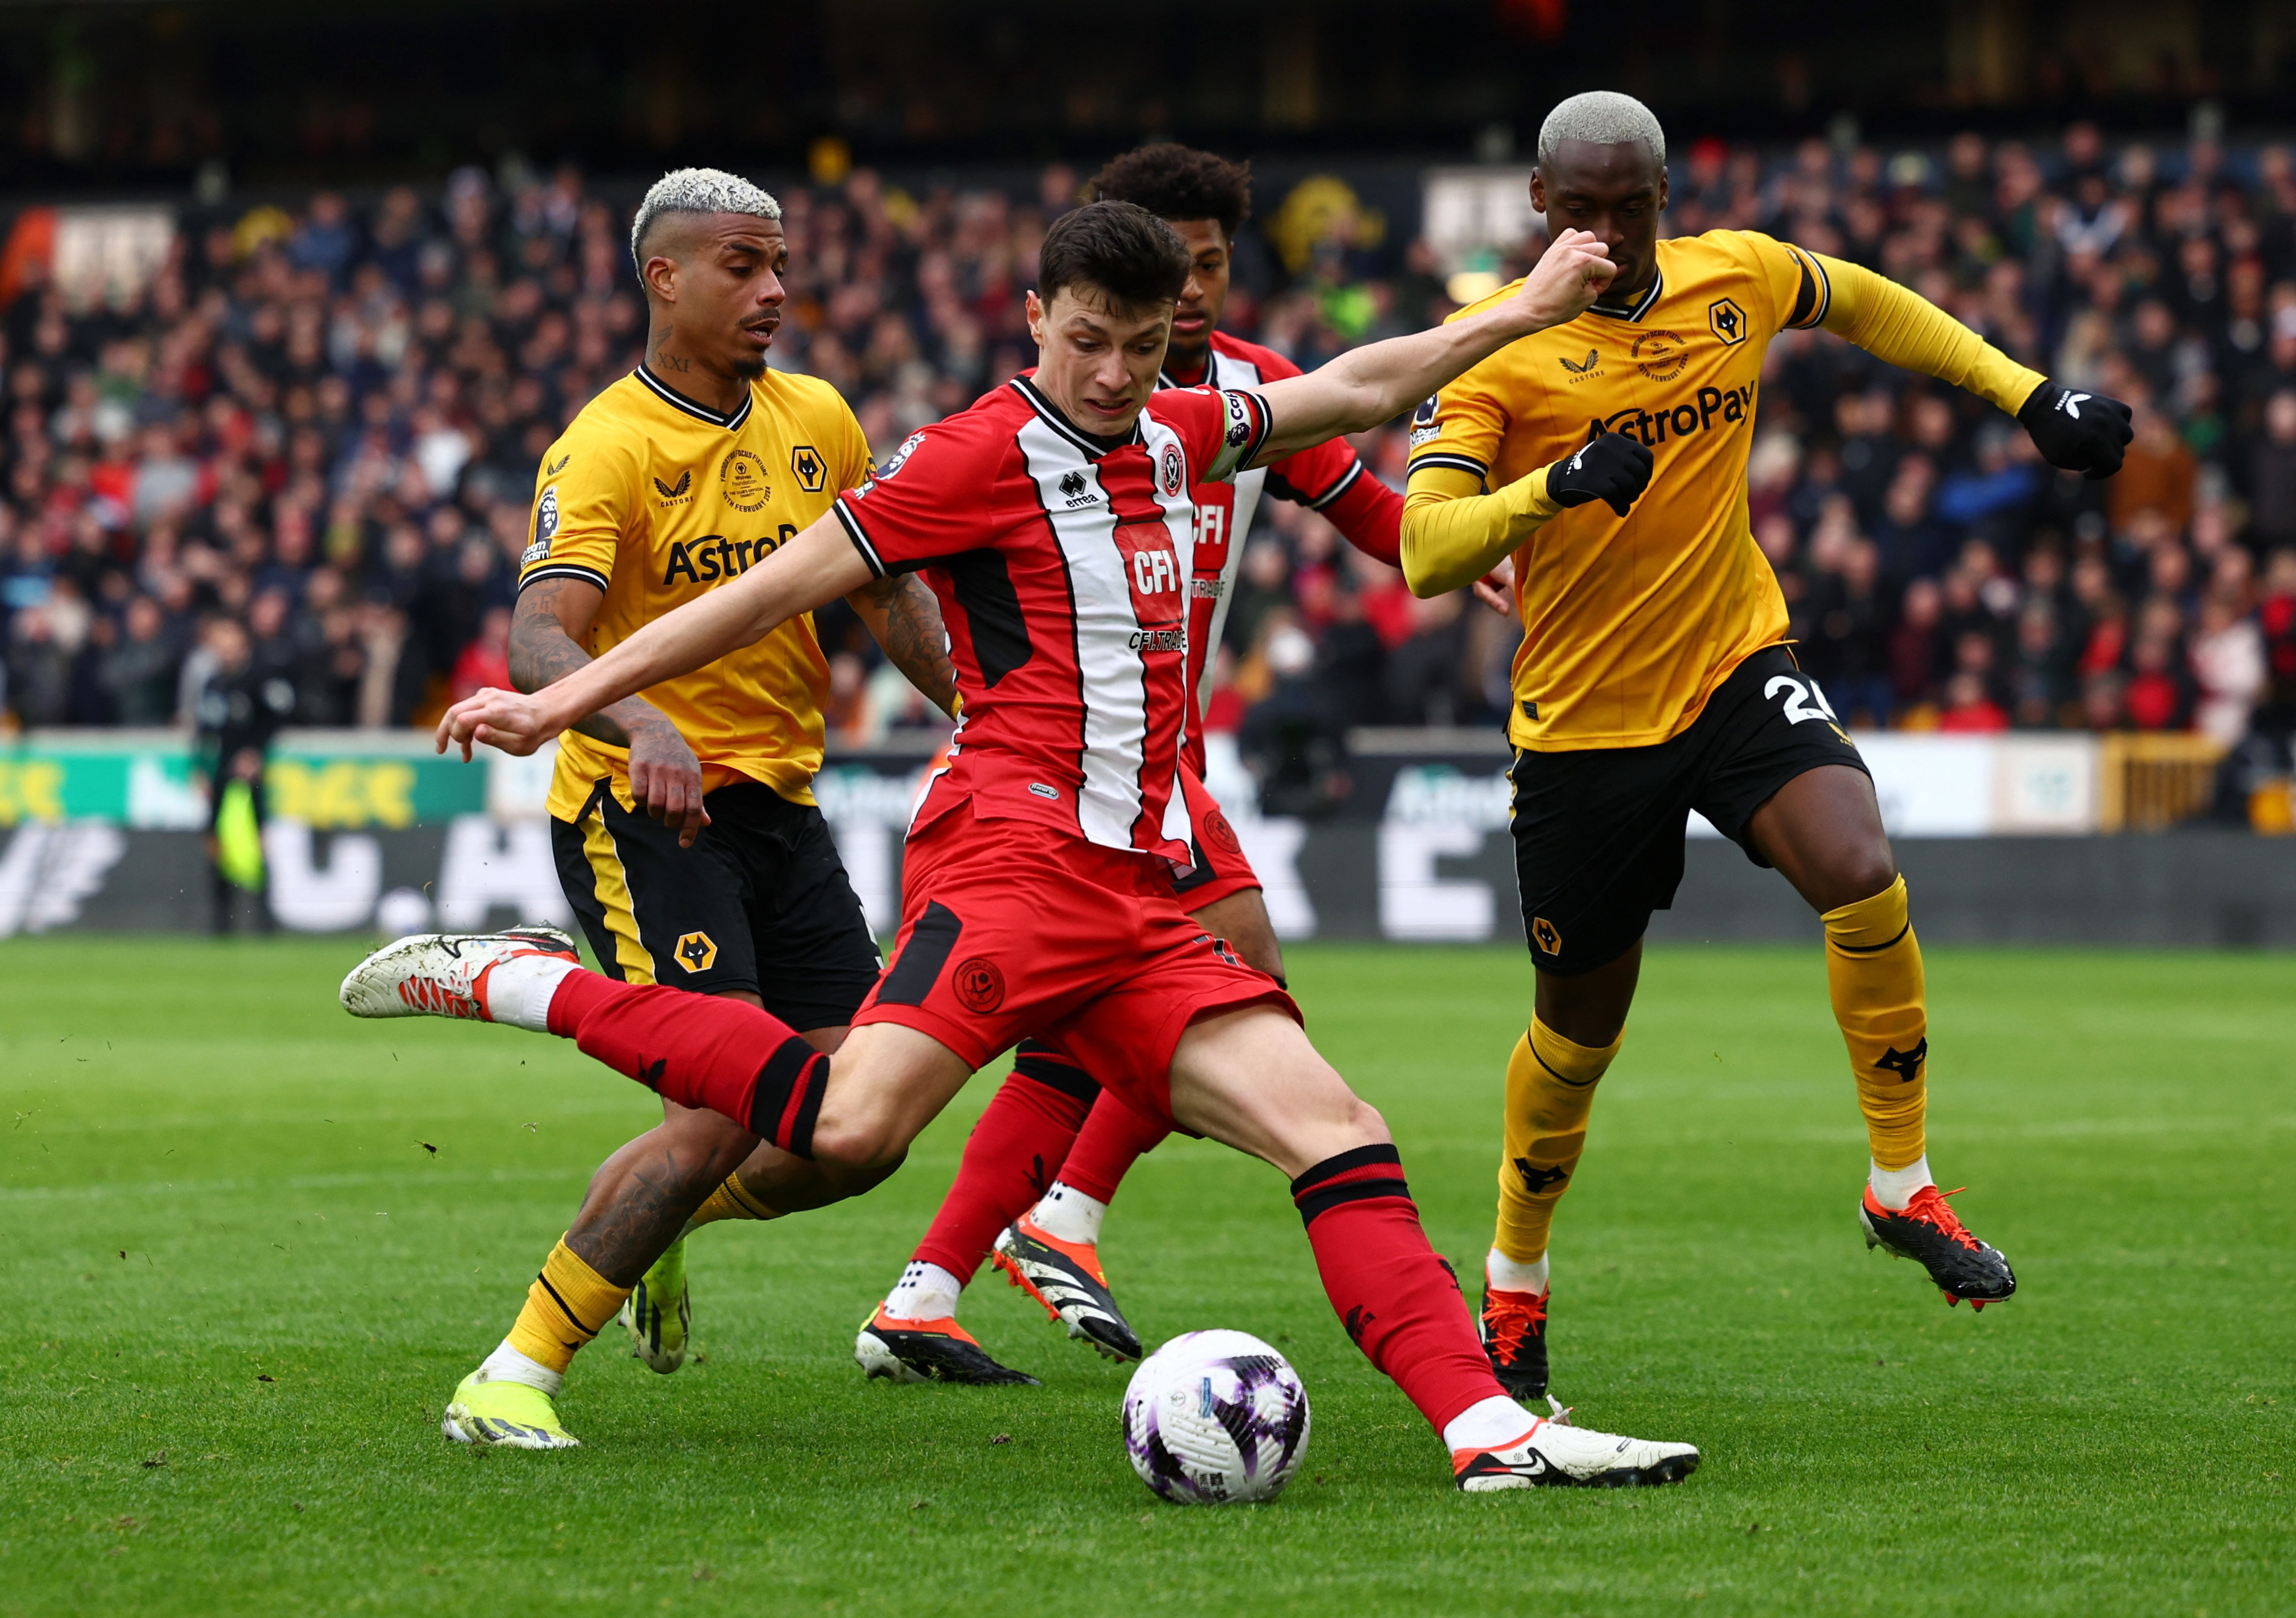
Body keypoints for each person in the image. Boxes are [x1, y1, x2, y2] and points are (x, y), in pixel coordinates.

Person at [348, 200, 1699, 1491]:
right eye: (1087, 341)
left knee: (1339, 1128)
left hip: (1135, 894)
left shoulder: (1175, 432)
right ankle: (521, 982)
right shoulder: (971, 455)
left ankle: (1488, 1429)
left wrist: (1521, 307)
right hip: (1009, 868)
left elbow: (1352, 389)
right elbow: (766, 592)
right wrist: (560, 699)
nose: (1114, 374)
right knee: (849, 1123)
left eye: (1143, 343)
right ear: (1036, 317)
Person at [1398, 92, 2132, 1404]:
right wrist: (1548, 491)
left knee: (1858, 864)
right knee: (1576, 1036)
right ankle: (1513, 1279)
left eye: (1635, 207)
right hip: (1584, 730)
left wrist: (2027, 392)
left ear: (1667, 197)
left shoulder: (1734, 277)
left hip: (1735, 665)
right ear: (1538, 205)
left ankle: (1901, 1179)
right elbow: (1424, 549)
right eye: (1585, 211)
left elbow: (1865, 300)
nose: (1612, 234)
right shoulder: (1487, 352)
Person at [846, 142, 1421, 1386]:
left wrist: (1473, 547)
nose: (1200, 288)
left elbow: (1366, 498)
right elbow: (875, 554)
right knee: (1236, 971)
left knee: (1128, 1012)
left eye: (1212, 265)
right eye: (1180, 264)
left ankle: (937, 1279)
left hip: (1162, 765)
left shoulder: (1246, 396)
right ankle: (1049, 1220)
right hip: (1083, 776)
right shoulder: (1060, 419)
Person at [418, 167, 959, 1450]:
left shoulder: (818, 417)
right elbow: (541, 634)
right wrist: (639, 717)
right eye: (741, 266)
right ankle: (510, 1375)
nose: (774, 289)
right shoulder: (607, 442)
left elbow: (888, 600)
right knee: (722, 1102)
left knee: (859, 1122)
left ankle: (672, 1222)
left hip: (781, 806)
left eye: (778, 265)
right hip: (638, 812)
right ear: (663, 278)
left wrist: (984, 707)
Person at [192, 615, 295, 933]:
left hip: (252, 774)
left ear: (244, 646)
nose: (225, 653)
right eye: (219, 646)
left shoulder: (262, 678)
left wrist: (256, 753)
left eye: (230, 645)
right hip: (222, 770)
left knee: (258, 840)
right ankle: (222, 921)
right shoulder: (214, 683)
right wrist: (199, 767)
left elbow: (279, 717)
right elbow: (204, 731)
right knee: (215, 841)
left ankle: (265, 920)